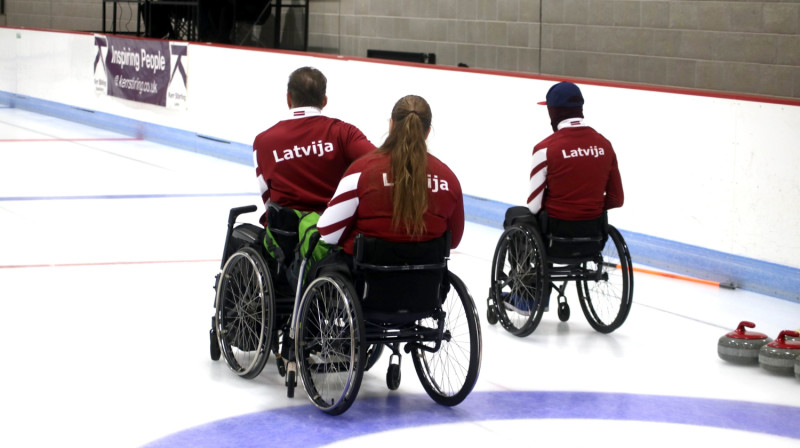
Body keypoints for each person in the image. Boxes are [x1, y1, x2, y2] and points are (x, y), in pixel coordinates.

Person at [252, 67, 376, 275]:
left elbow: (267, 198)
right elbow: (380, 163)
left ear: (288, 99)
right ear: (324, 100)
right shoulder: (343, 133)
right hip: (332, 234)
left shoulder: (263, 141)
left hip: (284, 238)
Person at [317, 95, 464, 256]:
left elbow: (328, 232)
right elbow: (453, 240)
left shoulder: (362, 171)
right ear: (428, 132)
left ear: (391, 125)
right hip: (426, 278)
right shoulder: (449, 179)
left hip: (367, 276)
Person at [527, 81, 623, 222]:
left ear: (553, 112)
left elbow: (534, 207)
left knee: (514, 215)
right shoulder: (605, 145)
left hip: (557, 231)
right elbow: (616, 200)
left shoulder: (544, 149)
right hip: (594, 231)